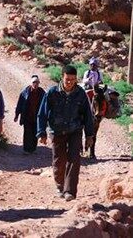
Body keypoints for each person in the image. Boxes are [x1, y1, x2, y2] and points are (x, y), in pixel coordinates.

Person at [37, 65, 94, 201]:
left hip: (75, 130)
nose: (70, 82)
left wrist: (89, 135)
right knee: (59, 160)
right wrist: (41, 133)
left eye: (73, 80)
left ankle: (70, 191)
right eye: (67, 79)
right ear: (62, 77)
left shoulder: (80, 93)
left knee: (74, 159)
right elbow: (42, 113)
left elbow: (87, 115)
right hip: (57, 131)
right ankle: (60, 186)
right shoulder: (52, 92)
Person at [14, 75, 45, 154]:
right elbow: (19, 104)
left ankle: (33, 149)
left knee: (35, 133)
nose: (36, 84)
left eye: (37, 82)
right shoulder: (25, 92)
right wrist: (17, 115)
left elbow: (46, 104)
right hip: (27, 116)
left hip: (37, 117)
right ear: (31, 83)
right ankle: (26, 149)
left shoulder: (42, 93)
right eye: (34, 82)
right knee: (27, 133)